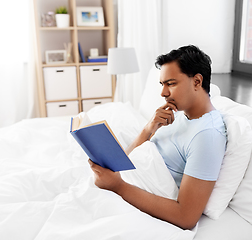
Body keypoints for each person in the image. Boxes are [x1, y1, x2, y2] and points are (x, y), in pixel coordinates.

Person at [88, 45, 226, 230]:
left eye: (171, 83)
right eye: (162, 84)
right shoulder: (176, 114)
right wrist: (149, 128)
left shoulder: (207, 135)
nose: (163, 93)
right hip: (121, 184)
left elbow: (186, 217)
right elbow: (129, 159)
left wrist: (118, 186)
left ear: (197, 82)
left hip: (126, 194)